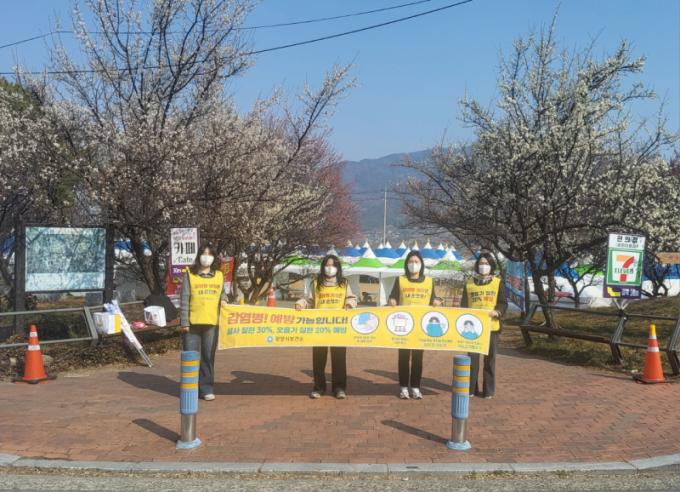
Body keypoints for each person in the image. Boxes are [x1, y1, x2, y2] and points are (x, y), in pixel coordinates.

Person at [296, 254, 356, 399]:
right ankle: (319, 388)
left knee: (339, 359)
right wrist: (300, 304)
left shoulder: (344, 283)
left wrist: (349, 304)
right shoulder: (316, 283)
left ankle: (339, 388)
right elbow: (309, 300)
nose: (330, 268)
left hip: (338, 328)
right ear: (323, 267)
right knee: (318, 358)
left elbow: (352, 298)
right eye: (327, 265)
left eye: (333, 265)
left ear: (337, 267)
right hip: (319, 327)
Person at [388, 250, 442, 400]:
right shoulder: (400, 280)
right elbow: (393, 297)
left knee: (418, 358)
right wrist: (392, 300)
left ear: (421, 264)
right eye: (411, 262)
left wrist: (437, 301)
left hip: (421, 327)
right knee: (403, 357)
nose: (413, 264)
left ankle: (416, 387)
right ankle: (403, 387)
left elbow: (433, 299)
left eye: (416, 262)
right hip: (404, 326)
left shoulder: (429, 281)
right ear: (406, 264)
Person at [180, 244, 227, 401]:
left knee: (208, 357)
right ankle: (190, 388)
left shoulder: (219, 275)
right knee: (190, 357)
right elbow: (184, 299)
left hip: (212, 323)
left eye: (210, 254)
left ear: (214, 257)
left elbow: (223, 293)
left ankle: (206, 389)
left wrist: (224, 300)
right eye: (204, 253)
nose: (206, 257)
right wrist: (184, 322)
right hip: (192, 324)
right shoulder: (189, 274)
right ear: (199, 255)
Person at [461, 252, 508, 399]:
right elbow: (463, 305)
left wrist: (497, 311)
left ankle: (488, 390)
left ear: (491, 266)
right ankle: (471, 389)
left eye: (486, 264)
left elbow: (503, 303)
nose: (483, 266)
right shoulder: (469, 283)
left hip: (491, 327)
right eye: (481, 263)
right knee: (472, 359)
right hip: (472, 328)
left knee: (490, 359)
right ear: (477, 265)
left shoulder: (497, 282)